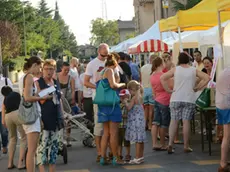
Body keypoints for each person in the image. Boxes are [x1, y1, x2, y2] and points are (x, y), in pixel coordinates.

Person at [160, 52, 210, 154]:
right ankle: (186, 146)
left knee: (174, 121)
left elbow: (162, 78)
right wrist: (198, 87)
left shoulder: (176, 69)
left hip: (175, 98)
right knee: (186, 122)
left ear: (179, 60)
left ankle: (170, 144)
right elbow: (207, 78)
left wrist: (167, 90)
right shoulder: (193, 70)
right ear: (188, 60)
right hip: (188, 98)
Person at [22, 56, 51, 172]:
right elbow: (27, 97)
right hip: (31, 116)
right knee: (32, 150)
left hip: (31, 115)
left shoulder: (26, 77)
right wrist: (42, 97)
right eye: (39, 67)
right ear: (34, 65)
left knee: (32, 150)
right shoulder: (29, 77)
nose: (40, 70)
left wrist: (40, 94)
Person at [96, 54, 125, 165]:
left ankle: (103, 157)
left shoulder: (101, 72)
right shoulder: (110, 71)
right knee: (113, 133)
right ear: (114, 63)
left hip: (103, 105)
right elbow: (113, 85)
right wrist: (122, 84)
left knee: (106, 132)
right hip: (112, 104)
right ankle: (115, 158)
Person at [84, 43, 109, 162]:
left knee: (109, 126)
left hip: (110, 99)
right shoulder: (92, 64)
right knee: (99, 126)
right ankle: (99, 151)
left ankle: (107, 151)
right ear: (99, 51)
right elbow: (86, 82)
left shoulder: (110, 62)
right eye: (104, 52)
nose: (106, 55)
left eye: (107, 52)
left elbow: (118, 77)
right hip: (98, 99)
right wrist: (97, 87)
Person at [36, 59, 62, 172]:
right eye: (46, 69)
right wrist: (50, 91)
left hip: (56, 117)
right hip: (44, 117)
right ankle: (42, 169)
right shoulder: (38, 82)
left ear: (54, 70)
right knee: (42, 146)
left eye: (51, 69)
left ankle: (52, 169)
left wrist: (63, 115)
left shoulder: (56, 82)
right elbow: (40, 99)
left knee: (54, 146)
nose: (49, 72)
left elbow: (59, 100)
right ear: (42, 70)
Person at [1, 87, 26, 170]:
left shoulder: (5, 99)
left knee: (12, 138)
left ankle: (10, 163)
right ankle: (20, 163)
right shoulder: (16, 94)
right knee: (23, 138)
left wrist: (3, 120)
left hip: (8, 116)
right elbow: (22, 104)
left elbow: (3, 107)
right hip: (17, 114)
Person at [150, 57, 171, 151]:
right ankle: (162, 144)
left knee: (155, 122)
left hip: (157, 99)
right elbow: (169, 87)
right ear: (161, 64)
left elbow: (153, 90)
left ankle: (154, 143)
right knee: (163, 124)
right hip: (165, 100)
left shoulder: (152, 75)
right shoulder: (163, 75)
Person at [124, 80, 146, 164]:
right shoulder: (140, 96)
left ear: (131, 90)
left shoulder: (134, 98)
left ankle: (137, 157)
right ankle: (141, 156)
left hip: (135, 120)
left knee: (137, 139)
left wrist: (125, 102)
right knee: (141, 139)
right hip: (141, 120)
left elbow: (129, 108)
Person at [57, 62, 75, 147]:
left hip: (67, 100)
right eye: (65, 70)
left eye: (68, 70)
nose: (67, 71)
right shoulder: (56, 76)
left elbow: (73, 90)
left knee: (69, 119)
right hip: (58, 100)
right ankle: (60, 137)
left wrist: (73, 98)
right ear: (61, 68)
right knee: (59, 119)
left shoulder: (71, 78)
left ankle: (68, 137)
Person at [216, 67, 230, 172]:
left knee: (226, 136)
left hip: (220, 104)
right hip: (227, 105)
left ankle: (224, 162)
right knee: (227, 137)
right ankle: (223, 163)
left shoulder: (225, 70)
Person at [141, 54, 156, 131]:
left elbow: (140, 79)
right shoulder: (154, 68)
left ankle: (144, 124)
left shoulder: (143, 67)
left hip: (144, 89)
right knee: (151, 109)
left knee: (145, 108)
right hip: (151, 89)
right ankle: (150, 124)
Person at [0, 75, 12, 154]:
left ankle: (4, 145)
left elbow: (11, 94)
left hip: (3, 109)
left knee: (4, 131)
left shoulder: (6, 81)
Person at [118, 89, 131, 162]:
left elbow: (129, 114)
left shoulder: (128, 104)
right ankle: (119, 154)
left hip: (126, 125)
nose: (122, 98)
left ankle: (128, 154)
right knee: (119, 141)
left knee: (126, 141)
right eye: (121, 97)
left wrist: (122, 116)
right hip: (119, 125)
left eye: (123, 97)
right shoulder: (119, 105)